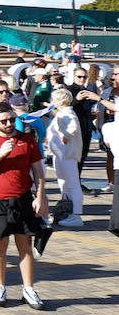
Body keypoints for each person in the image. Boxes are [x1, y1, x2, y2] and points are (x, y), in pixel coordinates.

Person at [0, 102, 49, 310]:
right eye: (3, 121)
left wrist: (40, 197)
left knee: (25, 245)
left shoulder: (26, 139)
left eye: (11, 120)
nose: (9, 124)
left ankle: (28, 288)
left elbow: (38, 171)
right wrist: (0, 153)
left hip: (23, 198)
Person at [46, 88, 85, 229]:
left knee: (72, 183)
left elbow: (72, 128)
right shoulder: (62, 113)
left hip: (67, 155)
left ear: (61, 101)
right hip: (59, 155)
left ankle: (76, 214)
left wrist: (65, 134)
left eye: (54, 99)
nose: (52, 102)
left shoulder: (68, 113)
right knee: (64, 183)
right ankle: (66, 210)